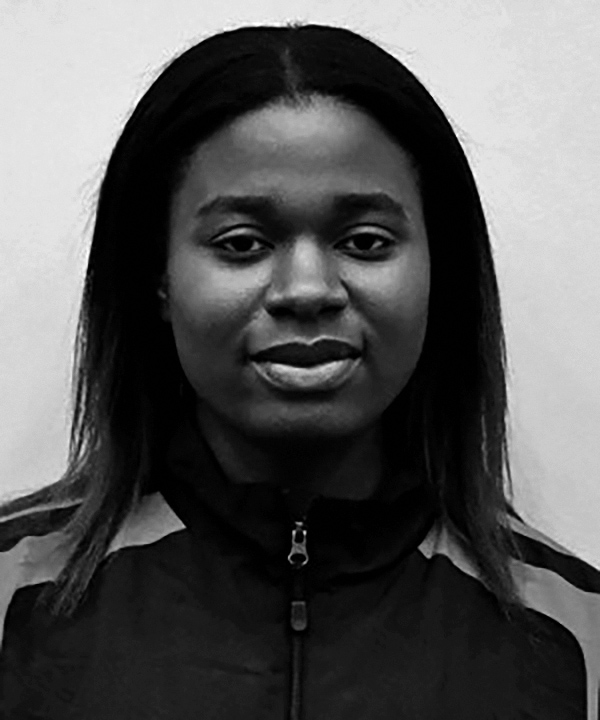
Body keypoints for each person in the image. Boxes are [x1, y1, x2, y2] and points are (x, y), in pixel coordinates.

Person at [0, 21, 598, 720]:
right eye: (242, 244)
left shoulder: (577, 634)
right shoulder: (14, 593)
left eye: (365, 242)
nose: (307, 289)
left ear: (440, 273)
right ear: (157, 276)